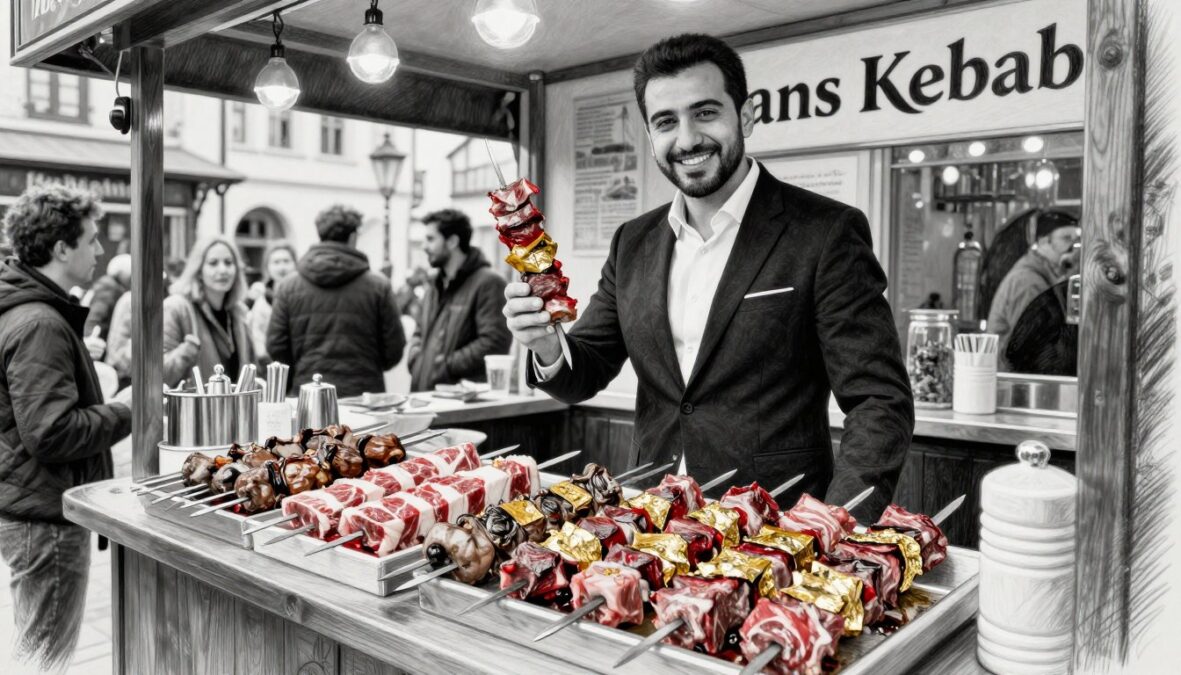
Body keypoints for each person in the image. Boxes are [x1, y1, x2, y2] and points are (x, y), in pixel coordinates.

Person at [503, 34, 913, 520]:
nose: (688, 139)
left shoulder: (825, 233)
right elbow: (585, 372)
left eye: (705, 113)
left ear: (746, 115)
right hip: (651, 521)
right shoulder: (632, 241)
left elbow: (878, 400)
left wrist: (836, 524)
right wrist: (547, 344)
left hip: (775, 529)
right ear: (651, 136)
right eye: (666, 122)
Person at [0, 185, 132, 671]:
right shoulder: (40, 323)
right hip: (45, 515)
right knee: (44, 660)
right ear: (61, 248)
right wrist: (124, 409)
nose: (100, 251)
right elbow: (51, 433)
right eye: (92, 240)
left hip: (31, 504)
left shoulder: (30, 310)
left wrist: (78, 363)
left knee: (36, 646)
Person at [267, 205, 405, 397]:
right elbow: (394, 349)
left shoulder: (288, 287)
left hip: (308, 393)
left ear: (320, 235)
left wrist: (301, 373)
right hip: (364, 395)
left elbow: (277, 347)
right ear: (353, 237)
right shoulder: (378, 285)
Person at [408, 209, 511, 391]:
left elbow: (494, 343)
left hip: (461, 404)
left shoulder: (489, 283)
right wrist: (415, 359)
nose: (424, 246)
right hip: (424, 397)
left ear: (453, 241)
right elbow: (419, 331)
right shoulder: (434, 284)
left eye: (431, 239)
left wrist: (445, 366)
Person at [986, 208, 1080, 370]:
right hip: (1012, 381)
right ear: (1044, 242)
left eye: (1076, 239)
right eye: (1066, 238)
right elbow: (1036, 345)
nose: (1073, 246)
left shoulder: (1044, 275)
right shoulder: (1028, 282)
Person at [163, 236, 254, 388]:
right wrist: (186, 352)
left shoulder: (239, 313)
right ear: (198, 270)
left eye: (229, 263)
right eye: (213, 263)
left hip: (232, 409)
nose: (223, 270)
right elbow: (159, 375)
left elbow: (250, 370)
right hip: (190, 410)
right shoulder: (176, 307)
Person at [247, 241, 297, 365]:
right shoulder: (259, 294)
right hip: (263, 363)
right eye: (276, 262)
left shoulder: (302, 295)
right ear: (267, 267)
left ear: (295, 264)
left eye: (286, 261)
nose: (282, 267)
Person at [83, 253, 131, 344]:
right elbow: (95, 315)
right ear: (121, 273)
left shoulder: (106, 284)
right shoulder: (109, 288)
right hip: (96, 341)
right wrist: (90, 339)